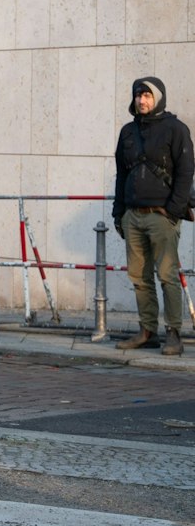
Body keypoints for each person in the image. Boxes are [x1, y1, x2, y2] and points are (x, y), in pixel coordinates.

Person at [113, 76, 192, 356]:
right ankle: (147, 331)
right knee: (139, 277)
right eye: (138, 95)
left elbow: (185, 173)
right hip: (133, 216)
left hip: (162, 216)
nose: (142, 100)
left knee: (167, 276)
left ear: (158, 98)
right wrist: (118, 213)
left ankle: (174, 334)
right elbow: (122, 173)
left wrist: (173, 210)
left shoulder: (176, 129)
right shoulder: (127, 132)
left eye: (147, 95)